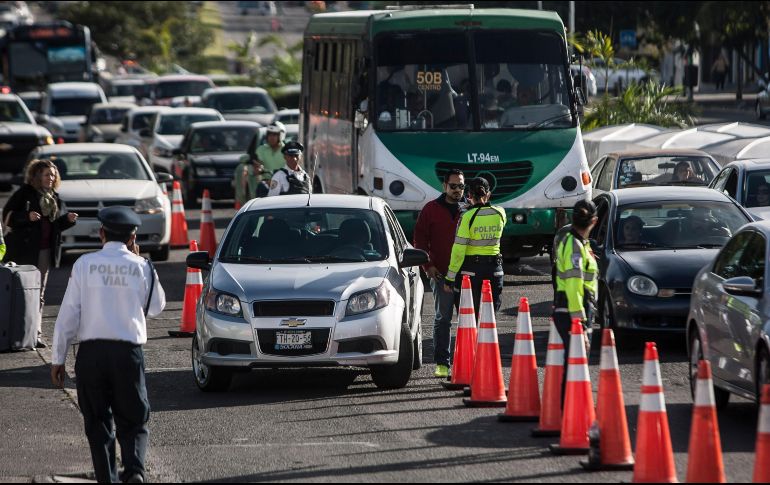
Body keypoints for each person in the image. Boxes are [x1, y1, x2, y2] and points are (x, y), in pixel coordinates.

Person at [51, 206, 166, 484]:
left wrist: (58, 357)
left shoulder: (84, 265)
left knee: (97, 421)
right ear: (133, 236)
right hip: (128, 353)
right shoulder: (142, 266)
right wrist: (142, 265)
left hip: (91, 353)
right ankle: (135, 471)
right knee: (133, 418)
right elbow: (156, 307)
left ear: (101, 233)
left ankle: (107, 477)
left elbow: (68, 314)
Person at [2, 159, 78, 348]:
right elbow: (7, 218)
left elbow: (54, 227)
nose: (51, 178)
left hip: (44, 251)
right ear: (36, 176)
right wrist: (25, 217)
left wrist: (67, 221)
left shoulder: (54, 198)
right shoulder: (24, 193)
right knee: (17, 292)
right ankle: (14, 330)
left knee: (39, 294)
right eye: (47, 174)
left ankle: (35, 333)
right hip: (23, 251)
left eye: (53, 175)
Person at [413, 169, 466, 378]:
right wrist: (428, 266)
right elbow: (420, 239)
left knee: (468, 320)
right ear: (444, 187)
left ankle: (466, 361)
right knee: (443, 319)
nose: (457, 190)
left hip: (466, 277)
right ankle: (442, 363)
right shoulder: (430, 210)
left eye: (461, 186)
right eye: (453, 186)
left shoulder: (468, 210)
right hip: (441, 275)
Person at [553, 200, 599, 404]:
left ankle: (573, 412)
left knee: (575, 362)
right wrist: (578, 320)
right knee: (576, 363)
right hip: (573, 310)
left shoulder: (579, 243)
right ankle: (572, 413)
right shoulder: (574, 245)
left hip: (575, 308)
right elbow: (573, 284)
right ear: (594, 221)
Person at [443, 177, 506, 316]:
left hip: (471, 271)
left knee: (469, 317)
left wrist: (450, 277)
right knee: (489, 318)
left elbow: (459, 250)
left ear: (469, 195)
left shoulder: (467, 217)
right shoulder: (500, 213)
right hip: (495, 270)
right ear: (488, 194)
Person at [234, 122, 287, 205]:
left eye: (274, 135)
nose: (271, 137)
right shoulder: (261, 149)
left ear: (281, 135)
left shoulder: (286, 151)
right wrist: (258, 169)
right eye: (269, 134)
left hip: (284, 183)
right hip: (266, 184)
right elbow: (257, 163)